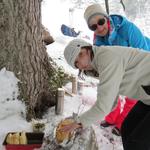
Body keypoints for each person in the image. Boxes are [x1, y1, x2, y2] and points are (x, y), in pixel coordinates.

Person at [63, 38, 150, 150]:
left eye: (80, 54)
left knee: (139, 142)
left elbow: (103, 106)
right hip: (147, 99)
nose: (81, 63)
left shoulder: (107, 58)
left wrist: (79, 122)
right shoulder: (97, 66)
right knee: (127, 128)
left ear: (88, 48)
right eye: (76, 63)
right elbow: (110, 102)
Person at [83, 3, 150, 135]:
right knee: (111, 88)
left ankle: (122, 123)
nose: (99, 27)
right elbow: (102, 69)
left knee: (132, 96)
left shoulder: (128, 28)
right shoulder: (97, 42)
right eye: (93, 26)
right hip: (119, 66)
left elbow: (144, 53)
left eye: (101, 21)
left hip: (140, 66)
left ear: (106, 18)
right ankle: (111, 118)